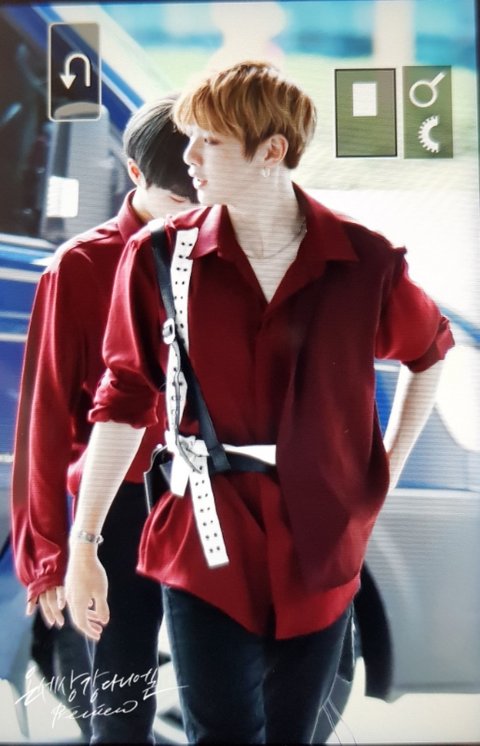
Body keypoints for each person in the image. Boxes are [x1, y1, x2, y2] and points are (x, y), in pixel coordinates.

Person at [64, 61, 454, 744]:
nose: (188, 157)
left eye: (208, 141)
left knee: (294, 734)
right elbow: (123, 401)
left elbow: (430, 351)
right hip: (205, 534)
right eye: (188, 138)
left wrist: (383, 473)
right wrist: (84, 544)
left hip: (325, 539)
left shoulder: (363, 261)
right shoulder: (158, 256)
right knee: (222, 733)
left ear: (271, 149)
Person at [11, 93, 197, 744]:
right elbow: (43, 419)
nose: (193, 213)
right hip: (116, 505)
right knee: (117, 717)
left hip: (210, 499)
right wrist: (46, 555)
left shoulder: (225, 250)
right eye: (178, 200)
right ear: (136, 175)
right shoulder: (81, 267)